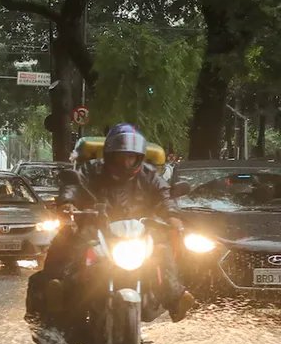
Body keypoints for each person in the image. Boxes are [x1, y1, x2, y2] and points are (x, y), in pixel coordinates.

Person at [39, 123, 194, 323]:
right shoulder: (91, 169)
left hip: (137, 231)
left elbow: (164, 196)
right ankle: (62, 289)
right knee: (73, 241)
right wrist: (68, 203)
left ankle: (175, 299)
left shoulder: (148, 175)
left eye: (131, 157)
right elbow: (73, 186)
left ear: (139, 157)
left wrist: (173, 218)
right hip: (96, 227)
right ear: (110, 155)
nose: (126, 162)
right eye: (122, 156)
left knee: (161, 249)